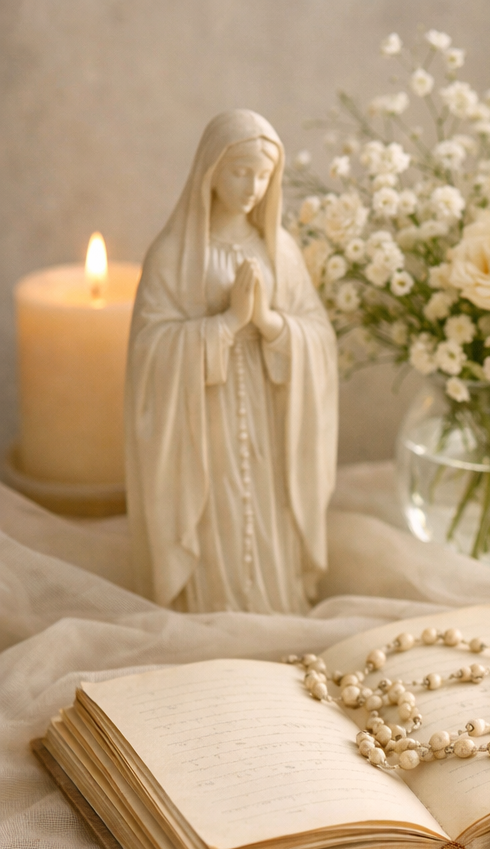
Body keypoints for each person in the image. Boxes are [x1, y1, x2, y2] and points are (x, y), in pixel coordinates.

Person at [125, 109, 338, 614]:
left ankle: (275, 605)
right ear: (211, 171)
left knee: (266, 509)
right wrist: (223, 325)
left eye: (264, 175)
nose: (253, 186)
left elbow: (318, 336)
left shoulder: (278, 249)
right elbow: (149, 350)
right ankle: (212, 607)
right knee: (217, 509)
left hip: (269, 415)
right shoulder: (174, 254)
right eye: (241, 171)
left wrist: (266, 321)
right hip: (203, 425)